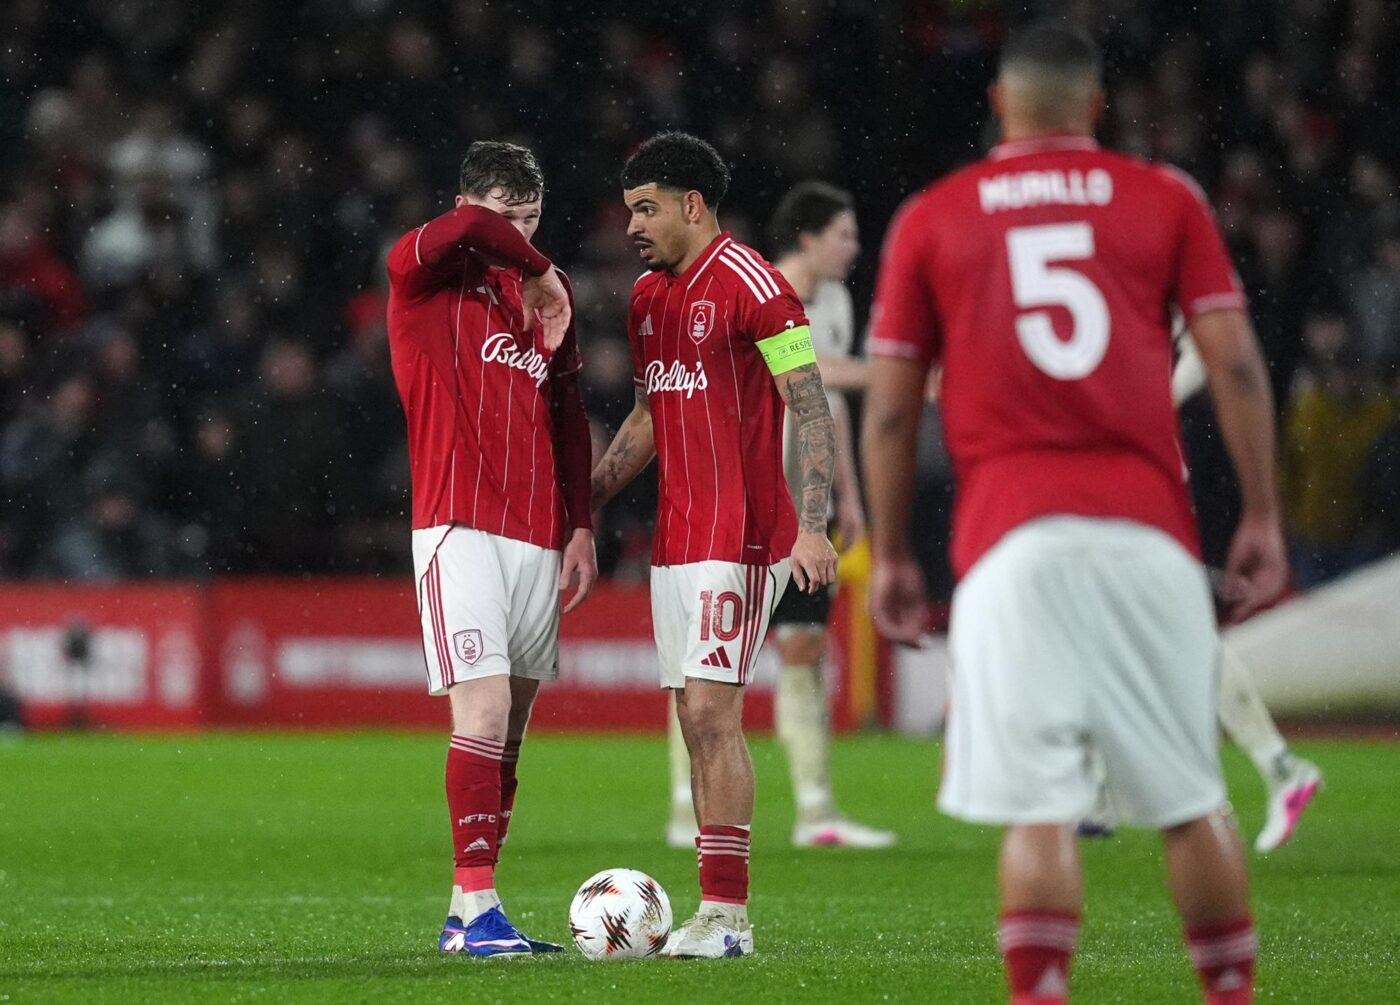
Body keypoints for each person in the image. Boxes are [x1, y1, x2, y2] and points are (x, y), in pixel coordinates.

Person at [862, 24, 1285, 1005]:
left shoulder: (933, 216)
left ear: (999, 107)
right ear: (1095, 106)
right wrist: (1261, 513)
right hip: (1147, 532)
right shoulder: (1163, 197)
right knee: (1189, 800)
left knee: (1039, 808)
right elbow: (1231, 362)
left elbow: (888, 409)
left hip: (1009, 541)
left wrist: (890, 552)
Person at [590, 131, 839, 958]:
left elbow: (809, 404)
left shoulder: (757, 285)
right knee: (693, 720)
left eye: (646, 209)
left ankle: (729, 917)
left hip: (742, 535)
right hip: (676, 541)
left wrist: (813, 524)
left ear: (692, 205)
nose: (633, 226)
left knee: (709, 710)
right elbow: (647, 414)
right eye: (629, 210)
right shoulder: (646, 299)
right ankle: (712, 910)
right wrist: (585, 499)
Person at [385, 140, 597, 957]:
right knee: (482, 710)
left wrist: (580, 525)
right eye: (509, 218)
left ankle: (467, 910)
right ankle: (478, 908)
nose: (520, 233)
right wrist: (538, 267)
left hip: (537, 531)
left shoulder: (549, 293)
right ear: (467, 205)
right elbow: (474, 230)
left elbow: (567, 413)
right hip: (458, 521)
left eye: (533, 219)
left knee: (509, 730)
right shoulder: (421, 270)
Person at [663, 180, 893, 849]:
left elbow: (827, 408)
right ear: (809, 238)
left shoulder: (838, 302)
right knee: (703, 663)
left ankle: (816, 812)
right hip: (744, 505)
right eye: (844, 234)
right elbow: (808, 372)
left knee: (804, 645)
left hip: (806, 510)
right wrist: (893, 375)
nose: (853, 248)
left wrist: (849, 494)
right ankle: (686, 810)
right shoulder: (760, 292)